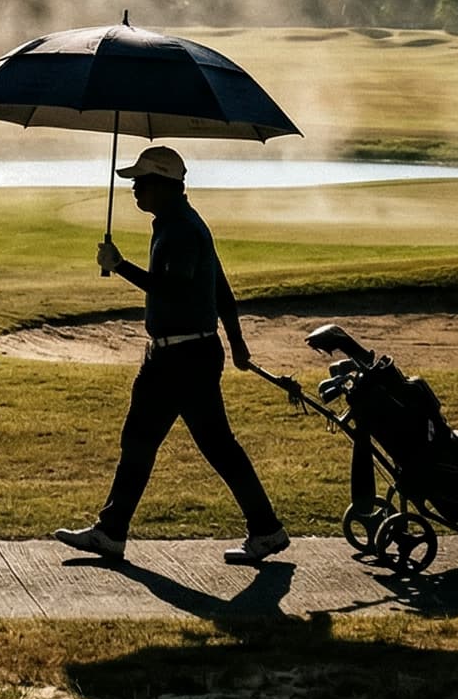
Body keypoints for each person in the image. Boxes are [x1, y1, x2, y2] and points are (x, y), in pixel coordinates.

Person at [52, 145, 290, 564]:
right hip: (184, 354)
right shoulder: (179, 222)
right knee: (179, 443)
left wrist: (119, 264)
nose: (134, 188)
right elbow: (221, 287)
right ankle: (263, 528)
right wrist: (235, 342)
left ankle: (113, 532)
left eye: (141, 181)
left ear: (164, 184)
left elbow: (174, 290)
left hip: (180, 358)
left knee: (158, 442)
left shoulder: (180, 229)